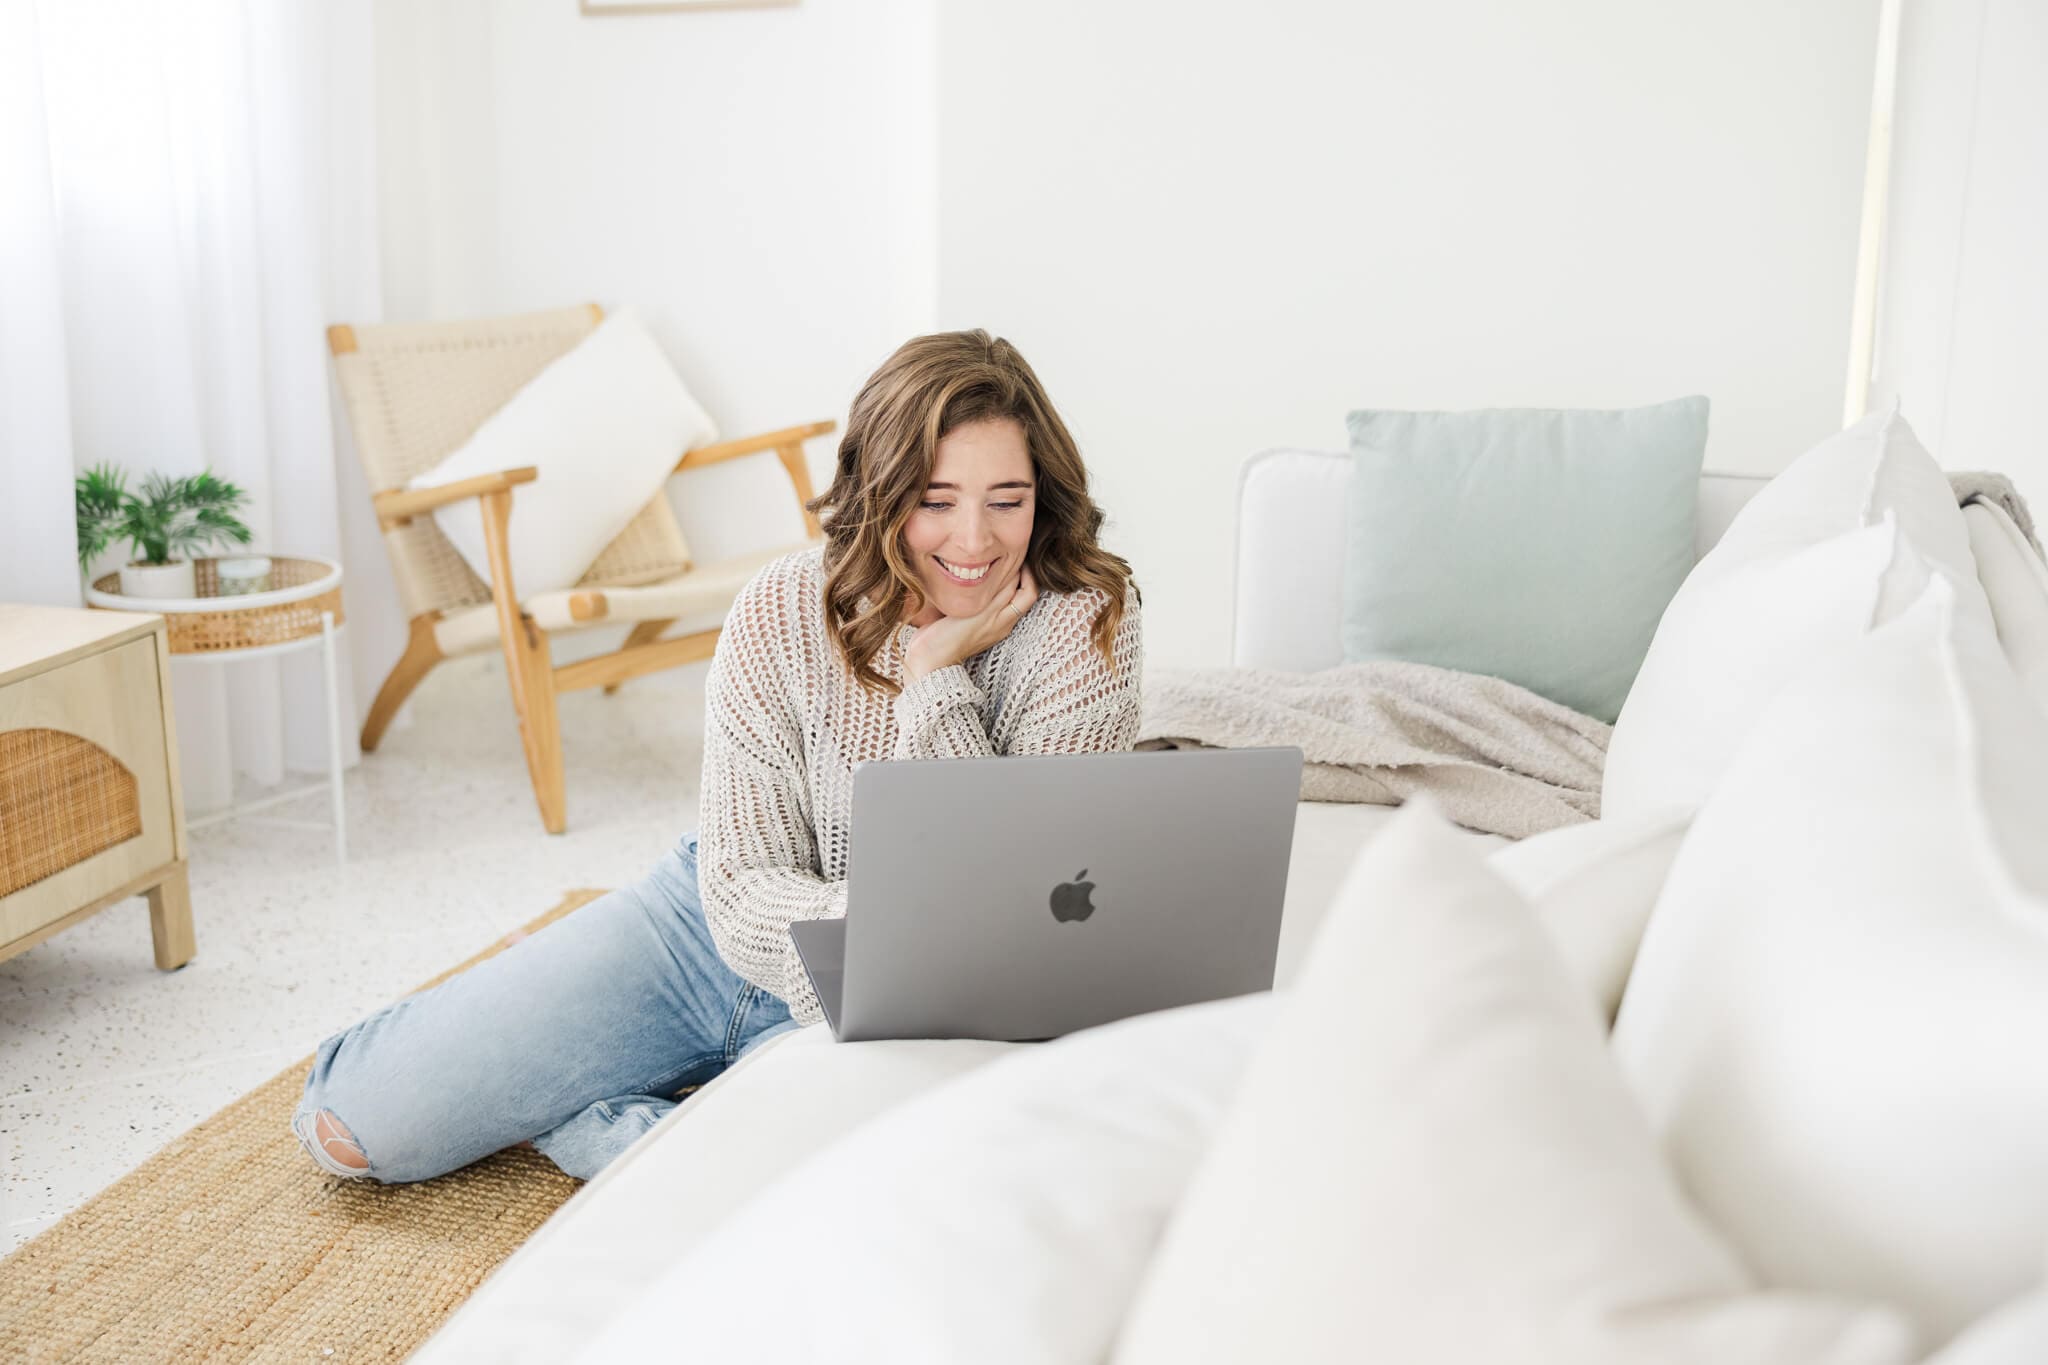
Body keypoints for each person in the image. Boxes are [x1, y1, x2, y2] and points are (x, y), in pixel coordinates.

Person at [291, 329, 1144, 1183]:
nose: (974, 540)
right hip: (713, 935)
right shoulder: (778, 608)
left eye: (1008, 499)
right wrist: (897, 933)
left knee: (881, 1179)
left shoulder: (1087, 621)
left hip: (916, 1008)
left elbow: (1012, 921)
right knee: (353, 1126)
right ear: (881, 491)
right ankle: (638, 1084)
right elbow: (741, 888)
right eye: (936, 498)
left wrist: (934, 679)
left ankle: (598, 1121)